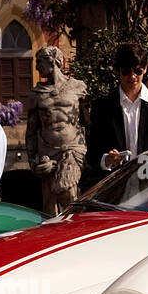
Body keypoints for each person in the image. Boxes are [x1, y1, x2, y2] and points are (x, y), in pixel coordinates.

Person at [87, 43, 148, 179]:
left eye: (137, 71)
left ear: (145, 69)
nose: (132, 76)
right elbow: (92, 154)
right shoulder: (102, 106)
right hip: (115, 187)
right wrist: (107, 160)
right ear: (118, 70)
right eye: (126, 71)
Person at [26, 45, 88, 215]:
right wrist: (32, 160)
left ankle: (79, 227)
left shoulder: (78, 87)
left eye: (39, 62)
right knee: (50, 204)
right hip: (48, 152)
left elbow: (87, 120)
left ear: (52, 60)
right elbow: (31, 130)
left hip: (72, 149)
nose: (37, 67)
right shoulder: (36, 94)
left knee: (66, 191)